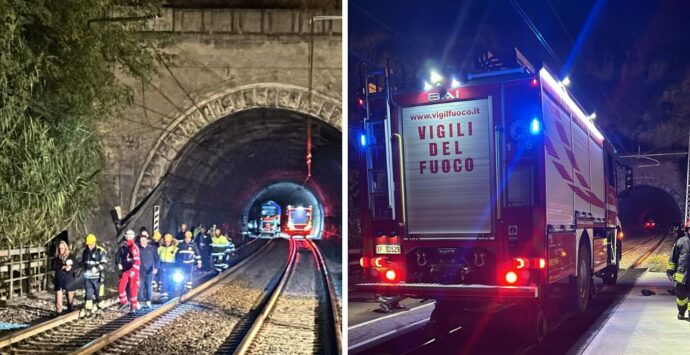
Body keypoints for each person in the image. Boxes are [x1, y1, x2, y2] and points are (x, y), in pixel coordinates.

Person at [667, 225, 690, 319]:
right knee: (681, 296)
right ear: (687, 230)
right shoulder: (681, 242)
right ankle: (681, 311)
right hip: (682, 276)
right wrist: (670, 271)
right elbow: (673, 258)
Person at [81, 234, 107, 316]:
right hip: (88, 277)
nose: (89, 246)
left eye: (90, 244)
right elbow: (83, 263)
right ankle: (88, 308)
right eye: (88, 244)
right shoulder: (85, 252)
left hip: (98, 278)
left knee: (98, 294)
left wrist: (97, 268)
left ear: (94, 243)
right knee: (88, 294)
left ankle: (100, 308)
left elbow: (105, 264)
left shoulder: (100, 251)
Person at [118, 230, 141, 312]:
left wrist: (133, 271)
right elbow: (123, 258)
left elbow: (137, 261)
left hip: (133, 271)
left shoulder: (134, 248)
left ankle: (133, 306)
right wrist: (120, 264)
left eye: (129, 235)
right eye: (127, 235)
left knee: (133, 289)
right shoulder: (125, 247)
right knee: (121, 286)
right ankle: (124, 302)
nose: (128, 237)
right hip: (126, 270)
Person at [53, 240, 76, 315]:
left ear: (65, 248)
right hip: (59, 277)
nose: (60, 250)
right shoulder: (57, 257)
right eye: (59, 248)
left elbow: (77, 265)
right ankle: (59, 310)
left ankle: (70, 307)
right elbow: (54, 266)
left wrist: (71, 268)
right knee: (58, 293)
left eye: (62, 248)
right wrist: (63, 267)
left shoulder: (71, 256)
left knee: (70, 294)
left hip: (68, 277)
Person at [137, 233, 160, 308]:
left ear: (147, 241)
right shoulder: (138, 249)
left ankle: (148, 301)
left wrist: (156, 268)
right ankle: (139, 301)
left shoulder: (152, 248)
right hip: (140, 271)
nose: (142, 242)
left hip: (150, 270)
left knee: (149, 286)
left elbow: (157, 259)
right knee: (140, 286)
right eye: (141, 241)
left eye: (144, 240)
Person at [157, 233, 178, 301]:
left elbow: (177, 258)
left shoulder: (175, 248)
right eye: (166, 242)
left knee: (171, 279)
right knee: (163, 279)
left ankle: (172, 292)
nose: (167, 243)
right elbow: (157, 257)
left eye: (168, 242)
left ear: (171, 241)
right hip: (163, 265)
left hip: (172, 266)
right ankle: (164, 294)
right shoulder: (160, 248)